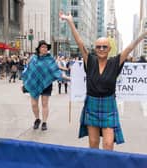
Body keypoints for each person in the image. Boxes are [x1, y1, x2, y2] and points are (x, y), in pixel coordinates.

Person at [59, 11, 147, 150]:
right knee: (93, 144)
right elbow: (80, 43)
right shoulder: (90, 60)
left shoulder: (115, 62)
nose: (101, 49)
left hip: (108, 105)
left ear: (109, 49)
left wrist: (144, 34)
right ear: (95, 48)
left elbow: (130, 47)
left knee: (108, 143)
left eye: (104, 46)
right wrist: (70, 21)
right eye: (98, 46)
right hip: (92, 104)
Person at [22, 40, 69, 131]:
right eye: (42, 47)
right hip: (34, 83)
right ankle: (37, 119)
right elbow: (28, 71)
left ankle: (44, 122)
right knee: (34, 104)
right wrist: (24, 83)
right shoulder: (33, 58)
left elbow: (55, 70)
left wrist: (67, 78)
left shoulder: (50, 59)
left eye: (46, 47)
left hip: (46, 84)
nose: (44, 49)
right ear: (39, 48)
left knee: (44, 104)